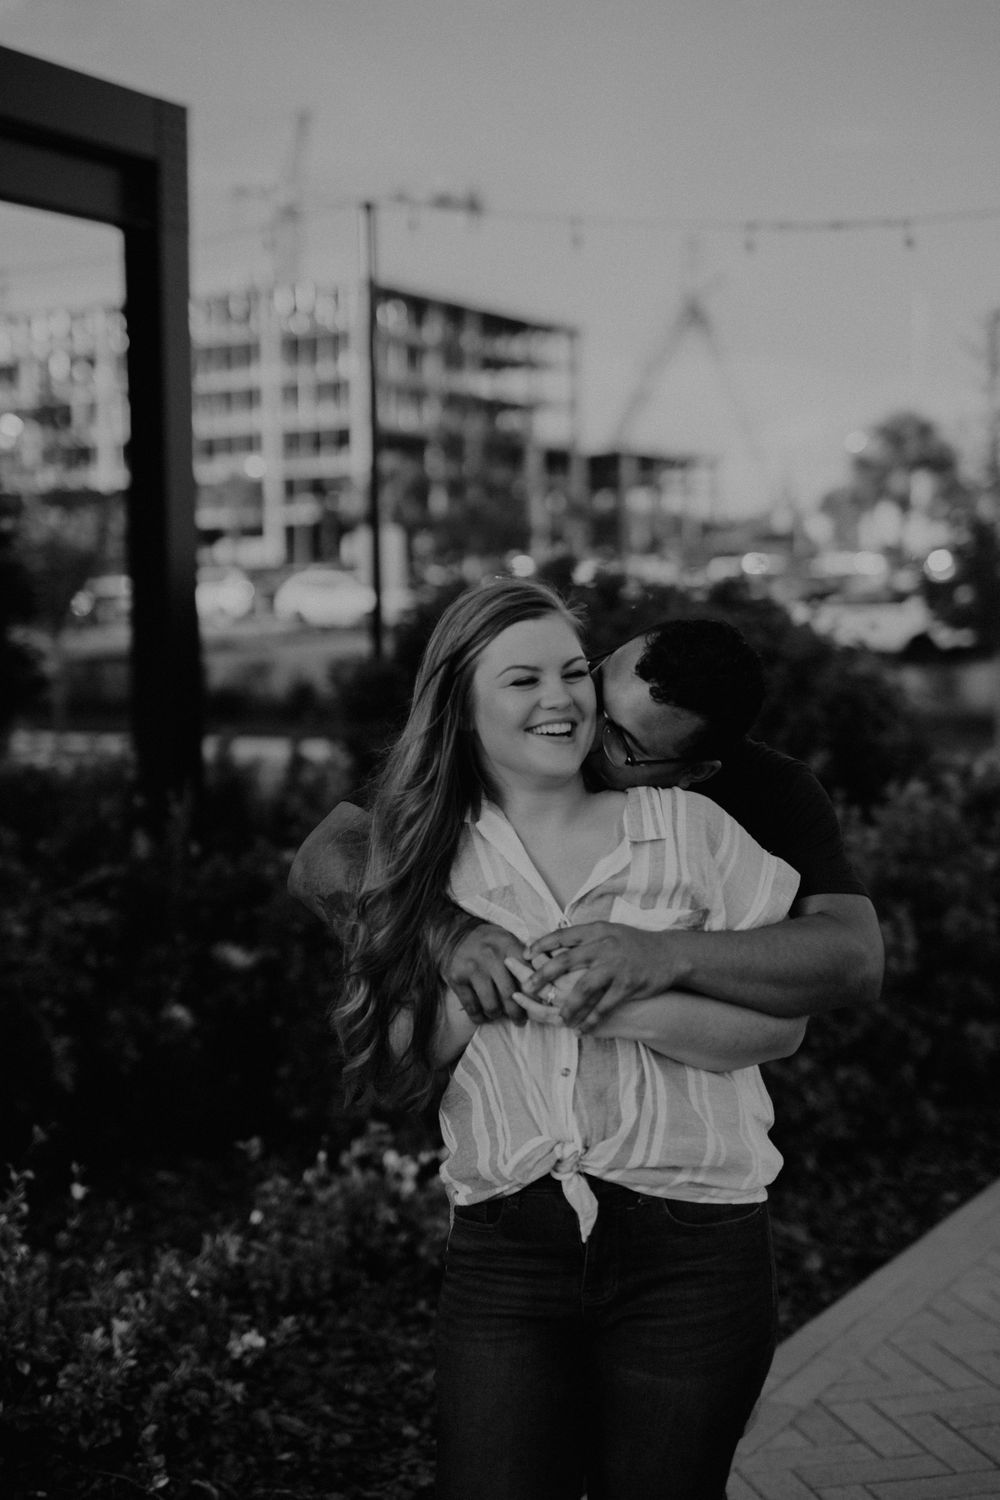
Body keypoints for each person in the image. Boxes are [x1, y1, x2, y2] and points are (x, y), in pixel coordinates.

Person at [333, 578, 805, 1500]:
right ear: (461, 707)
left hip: (693, 1244)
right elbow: (392, 1072)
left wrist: (623, 998)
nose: (561, 698)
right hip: (506, 1249)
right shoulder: (426, 860)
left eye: (574, 672)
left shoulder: (692, 830)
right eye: (523, 680)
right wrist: (468, 987)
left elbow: (780, 1028)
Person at [289, 615, 883, 1035]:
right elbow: (326, 854)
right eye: (594, 681)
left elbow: (854, 958)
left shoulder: (771, 790)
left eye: (619, 740)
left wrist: (666, 954)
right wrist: (446, 934)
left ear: (694, 773)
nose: (580, 723)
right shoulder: (531, 723)